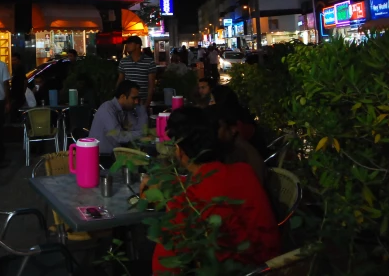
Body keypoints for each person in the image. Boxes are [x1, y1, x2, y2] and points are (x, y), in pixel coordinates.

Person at [150, 107, 280, 273]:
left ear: (180, 151)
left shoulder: (186, 199)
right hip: (272, 268)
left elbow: (163, 268)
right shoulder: (244, 172)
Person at [209, 103, 267, 186]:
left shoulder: (240, 151)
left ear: (232, 129)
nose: (214, 134)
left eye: (217, 128)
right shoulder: (233, 147)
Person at [89, 80, 147, 161]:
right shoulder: (107, 109)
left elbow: (137, 130)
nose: (137, 102)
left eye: (138, 98)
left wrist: (142, 111)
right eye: (134, 98)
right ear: (123, 97)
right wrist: (144, 133)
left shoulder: (125, 110)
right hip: (101, 159)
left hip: (117, 156)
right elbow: (120, 136)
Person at [117, 36, 157, 109]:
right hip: (127, 101)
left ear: (137, 45)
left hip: (142, 101)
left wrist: (147, 104)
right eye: (127, 44)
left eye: (130, 43)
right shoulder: (123, 62)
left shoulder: (149, 62)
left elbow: (151, 85)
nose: (127, 46)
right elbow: (120, 80)